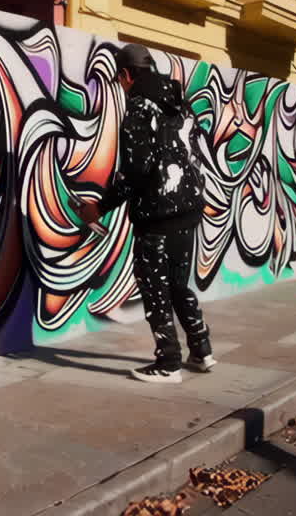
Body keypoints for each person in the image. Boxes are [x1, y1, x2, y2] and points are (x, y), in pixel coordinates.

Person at [75, 43, 214, 384]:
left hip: (158, 213)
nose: (121, 87)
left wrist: (99, 206)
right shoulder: (181, 104)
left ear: (126, 75)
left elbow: (136, 171)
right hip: (189, 207)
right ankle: (201, 350)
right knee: (179, 285)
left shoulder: (138, 107)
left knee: (154, 286)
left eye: (119, 80)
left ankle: (168, 363)